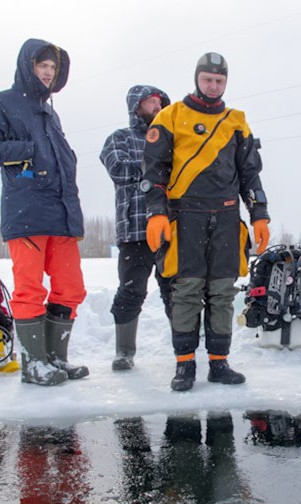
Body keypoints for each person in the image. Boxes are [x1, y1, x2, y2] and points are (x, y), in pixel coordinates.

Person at [142, 52, 271, 392]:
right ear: (197, 78)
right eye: (208, 79)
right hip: (185, 217)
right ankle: (184, 365)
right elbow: (153, 173)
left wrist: (259, 214)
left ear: (225, 82)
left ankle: (219, 363)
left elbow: (250, 174)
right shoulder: (170, 117)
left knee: (222, 292)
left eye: (220, 80)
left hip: (228, 217)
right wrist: (156, 213)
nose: (213, 85)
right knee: (186, 290)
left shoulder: (236, 120)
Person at [0, 39, 88, 386]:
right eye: (43, 66)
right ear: (28, 67)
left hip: (62, 215)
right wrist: (26, 150)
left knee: (70, 288)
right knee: (30, 289)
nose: (49, 73)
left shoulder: (50, 111)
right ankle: (34, 364)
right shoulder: (3, 103)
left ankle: (55, 359)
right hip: (27, 212)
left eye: (53, 68)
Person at [101, 85, 173, 371]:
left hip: (169, 228)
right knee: (131, 291)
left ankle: (186, 348)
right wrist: (155, 167)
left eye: (160, 102)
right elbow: (118, 169)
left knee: (176, 290)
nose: (157, 107)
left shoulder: (172, 138)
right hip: (134, 230)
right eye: (151, 102)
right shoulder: (119, 138)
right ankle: (124, 351)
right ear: (136, 106)